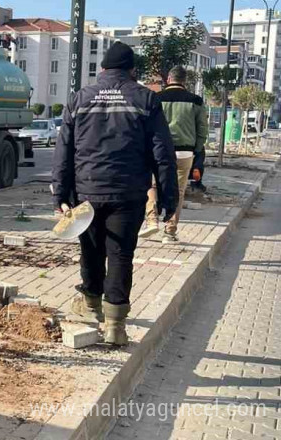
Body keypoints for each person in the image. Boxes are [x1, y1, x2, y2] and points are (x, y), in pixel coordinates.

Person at [53, 42, 178, 345]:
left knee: (91, 250)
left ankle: (92, 304)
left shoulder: (80, 98)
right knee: (121, 254)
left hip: (87, 191)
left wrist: (61, 192)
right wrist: (167, 197)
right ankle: (115, 327)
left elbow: (64, 149)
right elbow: (162, 153)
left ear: (104, 69)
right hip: (128, 192)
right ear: (132, 69)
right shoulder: (146, 98)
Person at [139, 66, 209, 243]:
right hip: (185, 152)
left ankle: (151, 219)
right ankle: (170, 231)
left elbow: (146, 125)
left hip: (159, 151)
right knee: (178, 190)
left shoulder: (156, 98)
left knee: (152, 185)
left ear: (168, 79)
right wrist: (196, 149)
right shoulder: (196, 101)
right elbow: (202, 129)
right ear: (184, 81)